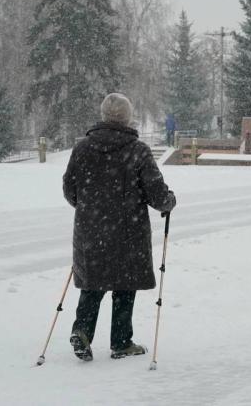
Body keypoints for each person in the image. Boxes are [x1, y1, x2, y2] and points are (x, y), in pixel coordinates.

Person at [63, 93, 176, 361]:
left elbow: (70, 190)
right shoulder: (137, 151)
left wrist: (90, 207)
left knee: (92, 284)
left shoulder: (82, 149)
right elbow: (158, 195)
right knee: (124, 287)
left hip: (91, 231)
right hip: (128, 232)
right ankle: (121, 342)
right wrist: (169, 201)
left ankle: (82, 331)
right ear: (128, 117)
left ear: (103, 115)